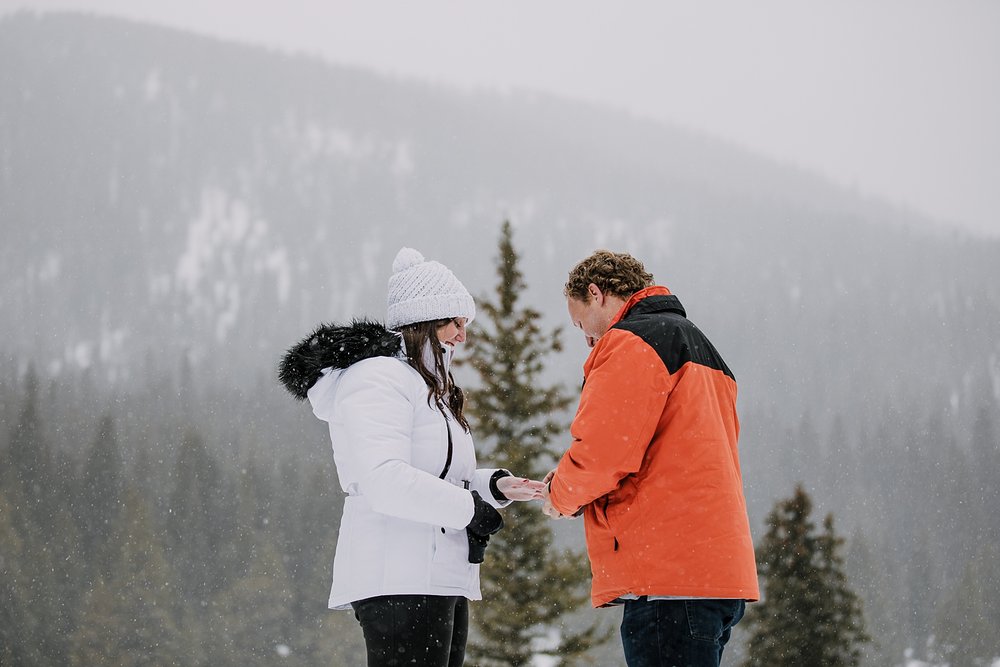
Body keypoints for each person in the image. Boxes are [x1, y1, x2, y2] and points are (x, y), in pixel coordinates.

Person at [279, 247, 545, 667]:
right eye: (455, 322)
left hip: (439, 574)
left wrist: (491, 486)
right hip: (398, 575)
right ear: (426, 320)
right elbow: (385, 480)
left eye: (466, 324)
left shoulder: (428, 389)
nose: (463, 334)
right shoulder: (377, 379)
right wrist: (469, 510)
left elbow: (433, 473)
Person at [540, 250, 759, 667]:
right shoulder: (703, 349)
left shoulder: (631, 343)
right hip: (716, 575)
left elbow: (603, 453)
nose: (586, 339)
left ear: (596, 293)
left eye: (580, 322)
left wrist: (561, 495)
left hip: (666, 578)